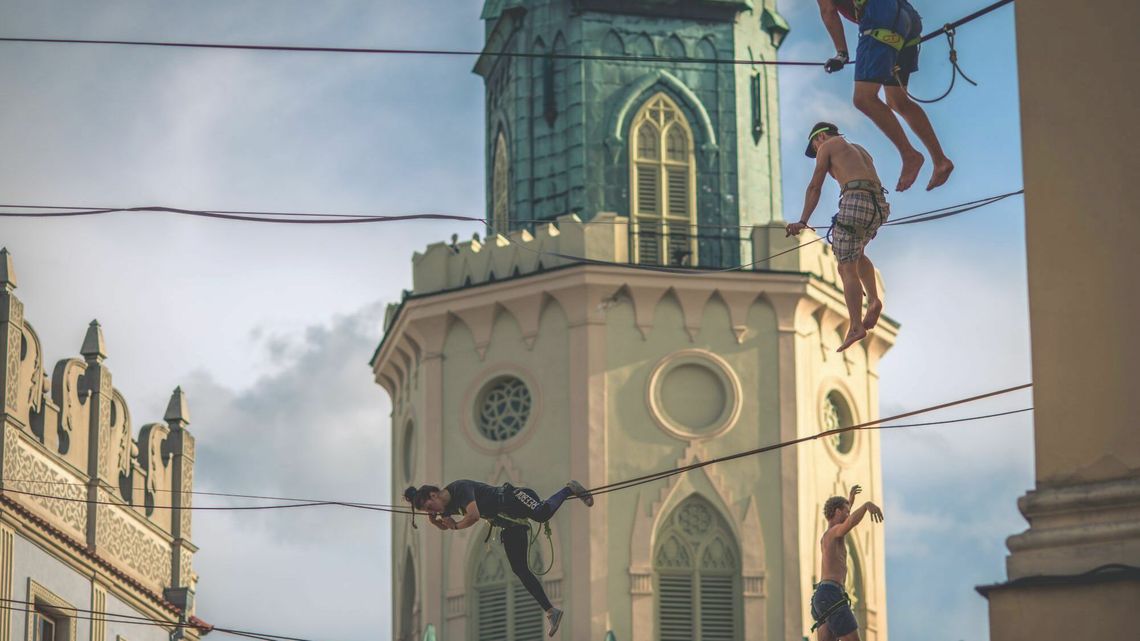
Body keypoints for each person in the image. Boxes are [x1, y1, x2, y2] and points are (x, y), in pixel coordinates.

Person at [403, 479, 595, 637]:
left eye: (430, 506)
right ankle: (551, 611)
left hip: (516, 498)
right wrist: (437, 522)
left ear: (434, 495)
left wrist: (454, 526)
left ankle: (569, 488)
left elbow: (473, 517)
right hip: (510, 523)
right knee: (519, 569)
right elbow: (446, 524)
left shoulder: (460, 489)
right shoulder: (444, 506)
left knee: (542, 513)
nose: (432, 511)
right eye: (428, 511)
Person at [817, 0, 954, 192]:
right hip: (907, 18)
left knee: (863, 98)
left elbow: (828, 10)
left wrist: (841, 53)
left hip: (880, 17)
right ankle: (940, 161)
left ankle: (909, 155)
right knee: (897, 100)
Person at [787, 122, 889, 352]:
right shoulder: (860, 149)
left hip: (855, 201)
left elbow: (815, 186)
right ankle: (873, 299)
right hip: (879, 206)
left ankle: (855, 325)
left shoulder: (828, 146)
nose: (816, 153)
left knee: (845, 267)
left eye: (814, 147)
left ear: (820, 137)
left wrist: (802, 221)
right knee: (857, 251)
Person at [811, 484, 885, 641]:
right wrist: (866, 506)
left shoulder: (827, 536)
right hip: (832, 594)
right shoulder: (834, 532)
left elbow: (845, 516)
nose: (849, 514)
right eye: (846, 511)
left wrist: (849, 501)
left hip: (822, 598)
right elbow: (850, 523)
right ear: (837, 512)